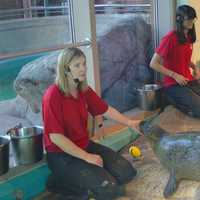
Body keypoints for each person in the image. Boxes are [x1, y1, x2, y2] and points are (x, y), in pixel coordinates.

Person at [42, 47, 141, 200]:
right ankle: (58, 182)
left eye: (84, 64)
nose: (83, 69)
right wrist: (86, 157)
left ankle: (89, 177)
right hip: (62, 155)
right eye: (77, 65)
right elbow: (56, 137)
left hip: (84, 144)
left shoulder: (83, 90)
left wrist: (130, 122)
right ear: (65, 69)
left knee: (126, 172)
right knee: (108, 188)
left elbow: (105, 109)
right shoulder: (52, 95)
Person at [150, 5, 200, 118]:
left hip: (188, 80)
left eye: (193, 18)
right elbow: (153, 63)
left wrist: (195, 68)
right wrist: (175, 75)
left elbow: (183, 59)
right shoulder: (170, 38)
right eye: (189, 18)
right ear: (179, 19)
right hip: (173, 84)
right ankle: (172, 100)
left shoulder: (188, 37)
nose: (191, 21)